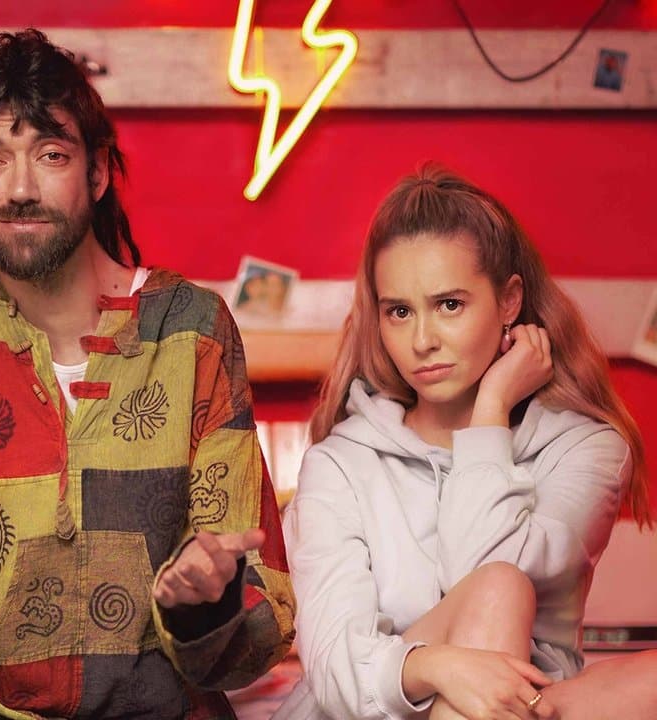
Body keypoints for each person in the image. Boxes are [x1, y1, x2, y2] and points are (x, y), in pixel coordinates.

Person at [0, 29, 295, 718]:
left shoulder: (191, 330)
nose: (21, 189)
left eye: (50, 155)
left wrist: (207, 605)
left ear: (98, 172)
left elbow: (253, 635)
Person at [274, 165, 655, 720]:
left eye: (449, 305)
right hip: (361, 712)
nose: (422, 340)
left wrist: (490, 412)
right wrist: (438, 666)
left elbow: (475, 570)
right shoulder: (340, 462)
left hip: (514, 705)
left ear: (509, 301)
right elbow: (336, 669)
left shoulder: (584, 450)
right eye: (399, 312)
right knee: (500, 590)